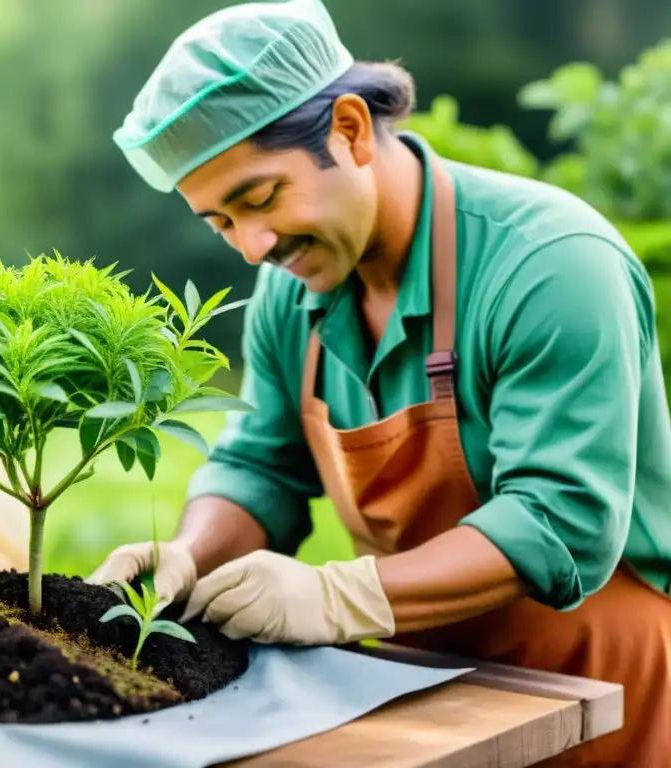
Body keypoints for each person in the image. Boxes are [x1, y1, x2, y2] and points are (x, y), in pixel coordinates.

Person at [86, 0, 671, 765]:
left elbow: (561, 520)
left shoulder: (550, 264)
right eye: (220, 222)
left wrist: (336, 596)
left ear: (351, 129)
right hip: (424, 696)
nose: (253, 246)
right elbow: (261, 465)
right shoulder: (291, 298)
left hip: (598, 692)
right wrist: (190, 555)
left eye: (261, 198)